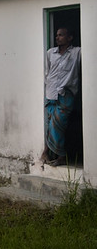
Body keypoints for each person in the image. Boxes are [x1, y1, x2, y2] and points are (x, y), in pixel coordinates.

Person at [41, 27, 81, 166]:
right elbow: (47, 72)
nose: (57, 38)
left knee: (57, 124)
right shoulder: (50, 53)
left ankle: (61, 155)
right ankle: (47, 153)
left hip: (66, 93)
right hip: (51, 93)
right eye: (57, 35)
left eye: (61, 35)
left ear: (70, 38)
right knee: (49, 124)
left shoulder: (77, 52)